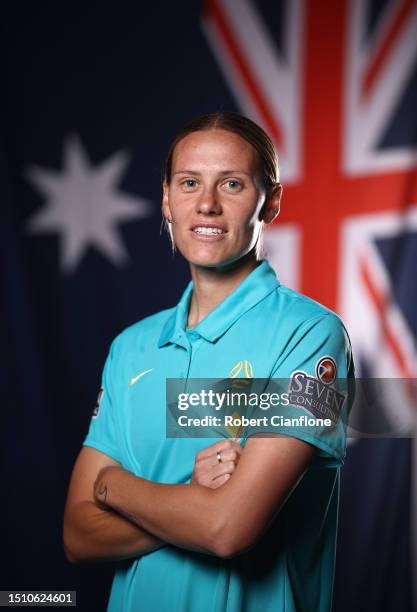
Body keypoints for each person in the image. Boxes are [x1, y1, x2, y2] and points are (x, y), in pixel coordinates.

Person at [63, 112, 354, 612]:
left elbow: (227, 529)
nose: (207, 205)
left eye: (233, 183)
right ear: (166, 199)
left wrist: (114, 486)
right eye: (190, 182)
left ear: (272, 202)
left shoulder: (310, 335)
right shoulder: (130, 347)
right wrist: (192, 499)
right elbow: (78, 535)